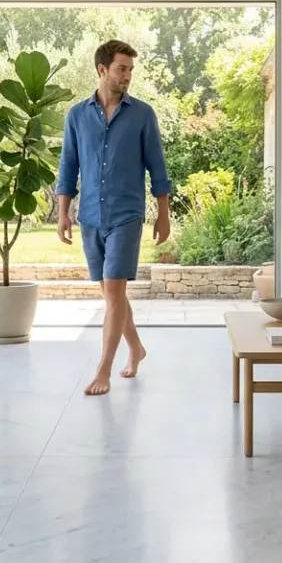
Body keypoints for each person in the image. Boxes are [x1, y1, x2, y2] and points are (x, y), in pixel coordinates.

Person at [56, 39, 173, 396]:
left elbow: (158, 166)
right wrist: (63, 213)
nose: (128, 76)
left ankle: (104, 368)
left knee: (114, 289)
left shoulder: (142, 114)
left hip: (126, 213)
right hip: (90, 215)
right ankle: (136, 348)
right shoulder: (77, 115)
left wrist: (163, 215)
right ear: (102, 69)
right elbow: (68, 166)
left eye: (131, 70)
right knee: (112, 295)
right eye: (122, 69)